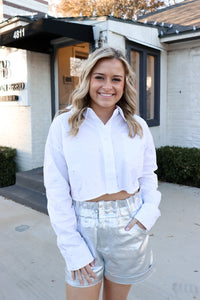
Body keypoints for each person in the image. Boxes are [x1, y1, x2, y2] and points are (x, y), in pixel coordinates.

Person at [44, 46, 161, 300]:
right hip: (83, 226)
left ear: (124, 84)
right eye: (100, 77)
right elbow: (56, 188)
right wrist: (71, 244)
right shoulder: (63, 125)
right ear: (87, 79)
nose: (107, 86)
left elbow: (148, 175)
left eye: (116, 79)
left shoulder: (138, 126)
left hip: (130, 223)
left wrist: (148, 214)